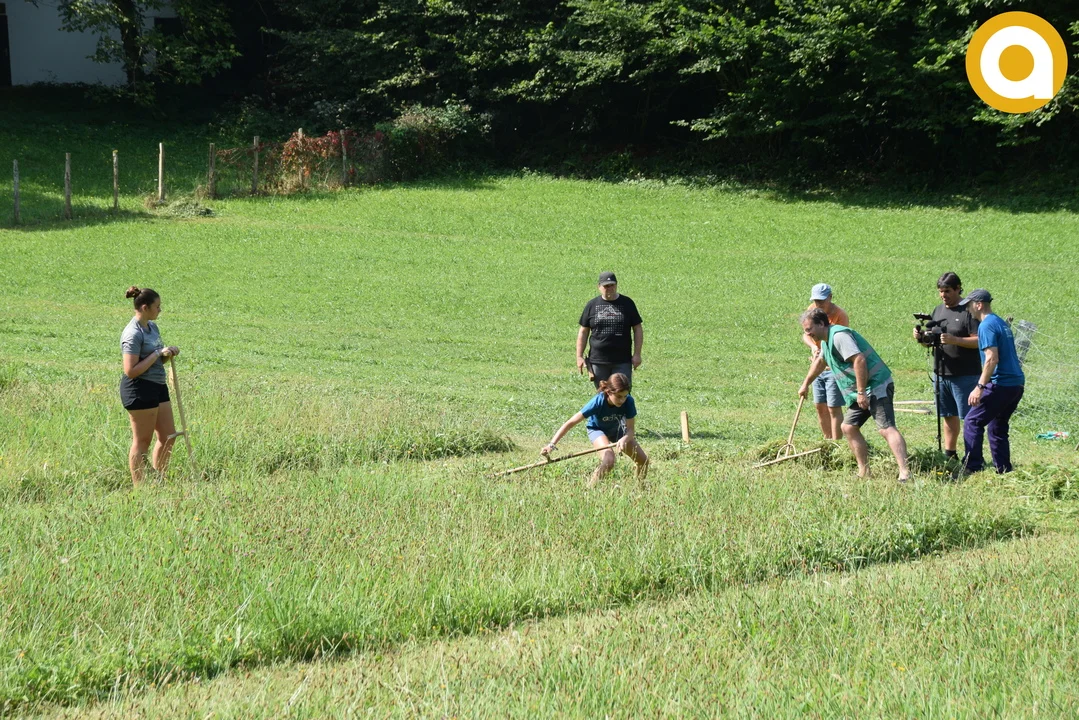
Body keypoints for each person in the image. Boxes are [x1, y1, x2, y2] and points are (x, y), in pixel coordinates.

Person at [799, 308, 911, 482]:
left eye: (809, 329)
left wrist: (861, 392)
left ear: (821, 324)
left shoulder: (839, 336)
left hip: (877, 385)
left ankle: (905, 473)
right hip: (863, 390)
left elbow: (859, 359)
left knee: (885, 428)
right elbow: (820, 362)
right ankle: (864, 471)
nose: (808, 334)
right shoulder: (826, 342)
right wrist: (805, 384)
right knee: (848, 427)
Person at [912, 272, 981, 459]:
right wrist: (922, 339)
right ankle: (950, 455)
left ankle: (973, 458)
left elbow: (979, 340)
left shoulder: (969, 311)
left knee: (969, 418)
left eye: (947, 291)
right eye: (941, 291)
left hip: (965, 374)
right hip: (941, 373)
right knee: (948, 415)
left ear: (958, 289)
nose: (943, 295)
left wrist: (955, 340)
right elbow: (931, 341)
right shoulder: (938, 310)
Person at [959, 289, 1025, 475]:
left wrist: (979, 387)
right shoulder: (1000, 322)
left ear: (979, 305)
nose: (968, 310)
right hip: (1016, 384)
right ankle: (1003, 470)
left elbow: (991, 358)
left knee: (972, 421)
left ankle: (972, 467)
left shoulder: (986, 325)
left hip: (1001, 383)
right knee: (997, 426)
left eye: (969, 305)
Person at [543, 373, 649, 486]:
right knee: (609, 460)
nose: (622, 400)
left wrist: (625, 439)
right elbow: (570, 423)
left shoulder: (629, 401)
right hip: (597, 430)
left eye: (625, 396)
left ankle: (639, 487)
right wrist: (551, 445)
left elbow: (631, 430)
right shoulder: (598, 402)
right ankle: (590, 488)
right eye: (619, 396)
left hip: (618, 431)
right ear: (609, 392)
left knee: (643, 460)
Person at [120, 286, 180, 486]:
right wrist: (156, 354)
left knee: (168, 435)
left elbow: (155, 358)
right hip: (139, 388)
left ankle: (159, 481)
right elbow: (130, 370)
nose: (160, 310)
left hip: (158, 385)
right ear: (145, 308)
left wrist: (166, 354)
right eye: (157, 306)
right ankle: (140, 488)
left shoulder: (152, 327)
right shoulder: (132, 334)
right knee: (142, 442)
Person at [577, 272, 643, 389]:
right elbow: (583, 331)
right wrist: (579, 356)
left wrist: (637, 354)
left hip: (622, 360)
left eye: (612, 285)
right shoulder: (592, 305)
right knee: (603, 395)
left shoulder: (627, 303)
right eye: (606, 286)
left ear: (616, 285)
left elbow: (637, 328)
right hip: (598, 361)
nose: (609, 288)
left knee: (622, 393)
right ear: (599, 287)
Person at [803, 283, 849, 440]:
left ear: (830, 297)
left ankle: (837, 444)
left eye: (821, 300)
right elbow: (806, 334)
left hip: (833, 367)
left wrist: (822, 352)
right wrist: (812, 347)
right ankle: (827, 441)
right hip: (817, 365)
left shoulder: (840, 316)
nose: (818, 304)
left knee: (833, 407)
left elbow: (840, 341)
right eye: (815, 300)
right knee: (819, 405)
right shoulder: (812, 310)